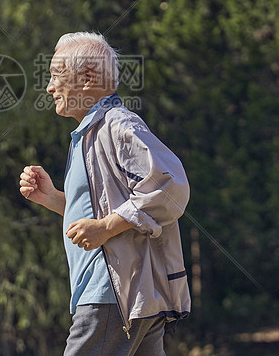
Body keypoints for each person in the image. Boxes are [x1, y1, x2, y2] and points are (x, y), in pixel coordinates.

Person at [19, 32, 190, 356]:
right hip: (132, 295)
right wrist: (53, 198)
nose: (49, 88)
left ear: (87, 78)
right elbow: (107, 209)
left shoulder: (118, 125)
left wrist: (107, 227)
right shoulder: (87, 135)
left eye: (56, 76)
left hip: (111, 294)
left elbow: (172, 188)